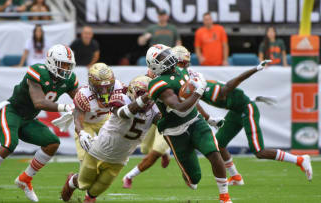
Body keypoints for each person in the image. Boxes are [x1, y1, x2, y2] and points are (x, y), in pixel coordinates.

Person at [175, 46, 313, 186]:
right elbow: (193, 103)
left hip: (247, 109)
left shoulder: (210, 89)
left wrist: (255, 69)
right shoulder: (197, 88)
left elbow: (231, 84)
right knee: (219, 145)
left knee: (259, 151)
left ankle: (300, 160)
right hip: (236, 111)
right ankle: (235, 177)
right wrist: (209, 118)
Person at [0, 44, 78, 203]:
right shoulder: (38, 71)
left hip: (28, 119)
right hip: (12, 112)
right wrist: (65, 107)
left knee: (52, 143)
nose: (67, 69)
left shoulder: (69, 80)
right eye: (63, 65)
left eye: (69, 65)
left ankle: (25, 179)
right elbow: (39, 103)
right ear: (52, 62)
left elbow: (79, 100)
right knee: (9, 144)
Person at [146, 44, 232, 203]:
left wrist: (208, 117)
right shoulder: (157, 84)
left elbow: (191, 102)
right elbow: (179, 107)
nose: (168, 56)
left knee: (214, 152)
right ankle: (188, 174)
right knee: (194, 180)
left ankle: (225, 197)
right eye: (162, 57)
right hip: (175, 132)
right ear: (155, 64)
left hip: (195, 121)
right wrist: (198, 92)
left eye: (166, 53)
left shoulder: (182, 71)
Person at [61, 75, 159, 203]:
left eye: (148, 95)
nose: (146, 99)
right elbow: (124, 113)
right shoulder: (121, 99)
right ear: (133, 91)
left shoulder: (154, 108)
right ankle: (71, 181)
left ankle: (88, 199)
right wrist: (144, 98)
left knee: (97, 189)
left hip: (120, 158)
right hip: (99, 150)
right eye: (141, 94)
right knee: (84, 183)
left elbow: (164, 123)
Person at [53, 63, 125, 165]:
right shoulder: (83, 95)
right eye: (100, 88)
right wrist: (81, 132)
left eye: (108, 87)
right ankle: (73, 180)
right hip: (85, 123)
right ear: (91, 84)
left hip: (104, 120)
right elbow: (78, 118)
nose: (104, 92)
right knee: (86, 162)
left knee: (112, 155)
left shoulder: (119, 87)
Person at [122, 70, 171, 189]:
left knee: (157, 149)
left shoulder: (172, 79)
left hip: (164, 118)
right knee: (144, 149)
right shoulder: (144, 81)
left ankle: (129, 176)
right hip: (151, 115)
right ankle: (164, 152)